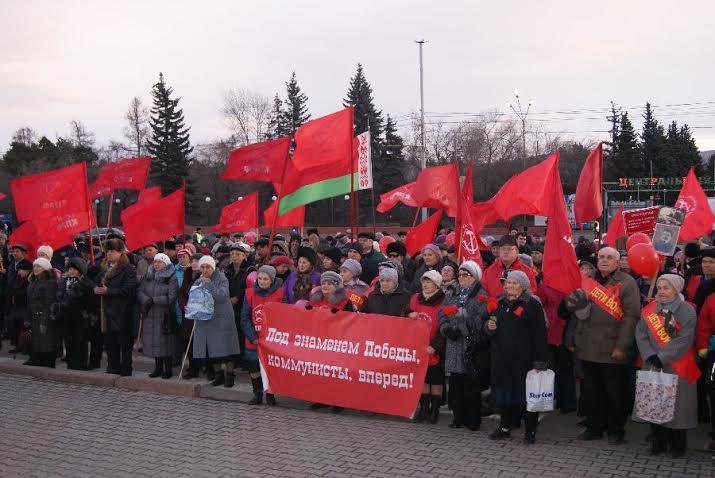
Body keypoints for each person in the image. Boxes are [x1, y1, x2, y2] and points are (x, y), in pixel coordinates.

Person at [572, 247, 640, 444]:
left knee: (615, 393)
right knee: (592, 392)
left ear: (618, 262)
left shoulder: (627, 283)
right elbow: (575, 308)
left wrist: (622, 346)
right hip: (588, 345)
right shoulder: (588, 280)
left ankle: (615, 430)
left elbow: (631, 317)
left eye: (609, 257)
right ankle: (594, 428)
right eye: (601, 257)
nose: (604, 260)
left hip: (612, 347)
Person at [635, 274, 699, 458]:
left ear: (676, 289)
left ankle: (677, 446)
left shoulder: (686, 310)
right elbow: (640, 333)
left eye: (666, 288)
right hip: (652, 363)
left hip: (677, 364)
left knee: (677, 407)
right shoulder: (650, 309)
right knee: (654, 402)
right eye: (660, 288)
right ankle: (658, 442)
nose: (661, 292)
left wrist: (662, 357)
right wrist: (649, 355)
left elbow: (684, 339)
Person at [486, 270, 549, 444]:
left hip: (525, 360)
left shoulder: (532, 304)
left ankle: (530, 430)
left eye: (514, 283)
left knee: (526, 397)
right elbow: (491, 328)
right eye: (507, 283)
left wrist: (540, 361)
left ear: (523, 285)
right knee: (505, 395)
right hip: (502, 359)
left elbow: (540, 334)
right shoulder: (499, 303)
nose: (509, 286)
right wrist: (489, 327)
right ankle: (505, 427)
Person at [439, 261, 488, 431]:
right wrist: (446, 328)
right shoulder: (452, 292)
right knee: (455, 382)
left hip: (469, 344)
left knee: (470, 383)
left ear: (474, 277)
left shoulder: (481, 294)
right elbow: (442, 312)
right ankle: (458, 417)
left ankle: (472, 419)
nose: (461, 278)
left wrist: (461, 327)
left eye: (465, 275)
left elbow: (480, 318)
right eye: (459, 275)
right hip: (453, 342)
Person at [192, 256, 241, 388]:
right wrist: (192, 307)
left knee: (227, 347)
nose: (205, 269)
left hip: (223, 317)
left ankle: (230, 375)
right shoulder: (198, 280)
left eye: (208, 267)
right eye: (202, 267)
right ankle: (218, 375)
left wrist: (208, 283)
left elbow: (222, 295)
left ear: (213, 267)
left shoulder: (222, 278)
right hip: (207, 319)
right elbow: (195, 298)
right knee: (212, 348)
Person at [241, 265, 284, 405]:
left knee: (270, 368)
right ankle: (257, 395)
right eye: (259, 278)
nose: (262, 281)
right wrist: (253, 337)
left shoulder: (280, 294)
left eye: (265, 279)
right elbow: (245, 318)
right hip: (253, 339)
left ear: (271, 280)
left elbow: (285, 316)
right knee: (254, 368)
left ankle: (270, 395)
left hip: (272, 339)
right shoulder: (250, 294)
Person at [408, 270, 446, 424]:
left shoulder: (444, 300)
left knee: (435, 379)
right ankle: (423, 410)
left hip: (435, 346)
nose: (425, 284)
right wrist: (408, 314)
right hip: (419, 346)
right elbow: (405, 313)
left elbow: (445, 325)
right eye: (424, 281)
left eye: (429, 282)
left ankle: (434, 410)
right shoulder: (416, 298)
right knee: (423, 379)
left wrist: (435, 346)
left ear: (437, 285)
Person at [95, 238, 137, 376]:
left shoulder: (128, 269)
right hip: (106, 310)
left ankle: (126, 370)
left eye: (112, 251)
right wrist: (96, 289)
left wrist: (109, 291)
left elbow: (129, 290)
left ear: (120, 252)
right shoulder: (104, 267)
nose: (109, 254)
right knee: (110, 343)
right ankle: (113, 368)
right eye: (107, 251)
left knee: (124, 344)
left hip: (122, 312)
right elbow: (97, 282)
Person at [137, 253, 179, 379]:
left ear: (165, 264)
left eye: (159, 262)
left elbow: (172, 297)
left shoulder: (171, 277)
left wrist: (154, 300)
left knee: (165, 342)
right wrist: (146, 300)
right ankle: (158, 368)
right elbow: (140, 291)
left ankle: (168, 369)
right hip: (150, 313)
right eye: (155, 262)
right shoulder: (148, 276)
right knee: (154, 342)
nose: (156, 264)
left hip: (164, 314)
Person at [57, 257, 93, 370]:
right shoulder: (63, 282)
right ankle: (71, 363)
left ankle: (81, 364)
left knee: (80, 342)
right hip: (66, 316)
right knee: (68, 341)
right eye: (70, 269)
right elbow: (59, 296)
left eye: (74, 269)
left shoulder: (86, 284)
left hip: (80, 317)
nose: (71, 271)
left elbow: (89, 302)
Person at [25, 258, 60, 368]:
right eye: (34, 266)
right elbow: (29, 302)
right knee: (37, 343)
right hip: (34, 317)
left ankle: (48, 366)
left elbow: (49, 303)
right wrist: (27, 319)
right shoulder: (33, 281)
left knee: (47, 343)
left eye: (38, 266)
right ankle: (38, 363)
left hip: (45, 317)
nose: (35, 268)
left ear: (45, 268)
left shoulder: (50, 282)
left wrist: (44, 321)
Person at [225, 243, 255, 364]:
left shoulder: (250, 269)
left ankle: (245, 359)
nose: (234, 256)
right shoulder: (227, 269)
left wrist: (237, 297)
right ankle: (235, 358)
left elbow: (249, 287)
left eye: (238, 254)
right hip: (229, 305)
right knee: (233, 332)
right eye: (232, 254)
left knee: (243, 332)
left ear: (244, 256)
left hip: (244, 304)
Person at [178, 253, 202, 379]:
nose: (194, 263)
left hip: (199, 315)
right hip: (187, 314)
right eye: (192, 260)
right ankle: (193, 367)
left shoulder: (204, 275)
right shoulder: (187, 274)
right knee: (189, 341)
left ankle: (202, 367)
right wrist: (184, 305)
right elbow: (181, 293)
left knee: (200, 342)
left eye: (197, 261)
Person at [6, 258, 31, 354]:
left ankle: (26, 347)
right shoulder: (19, 278)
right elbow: (13, 288)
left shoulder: (30, 279)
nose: (19, 272)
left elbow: (26, 293)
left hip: (24, 307)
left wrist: (17, 295)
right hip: (17, 307)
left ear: (28, 270)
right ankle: (18, 345)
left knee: (25, 328)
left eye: (21, 270)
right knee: (16, 327)